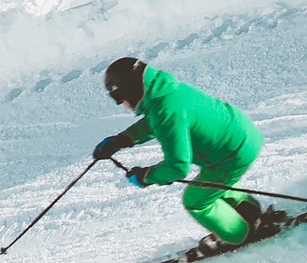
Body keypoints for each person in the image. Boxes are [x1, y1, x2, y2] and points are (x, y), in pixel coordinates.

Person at [92, 56, 272, 250]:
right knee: (212, 184)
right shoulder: (165, 92)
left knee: (195, 201)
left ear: (132, 90)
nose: (123, 105)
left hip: (233, 154)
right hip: (239, 137)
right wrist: (122, 139)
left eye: (121, 98)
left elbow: (178, 166)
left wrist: (145, 177)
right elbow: (157, 121)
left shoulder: (165, 109)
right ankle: (250, 212)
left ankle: (240, 234)